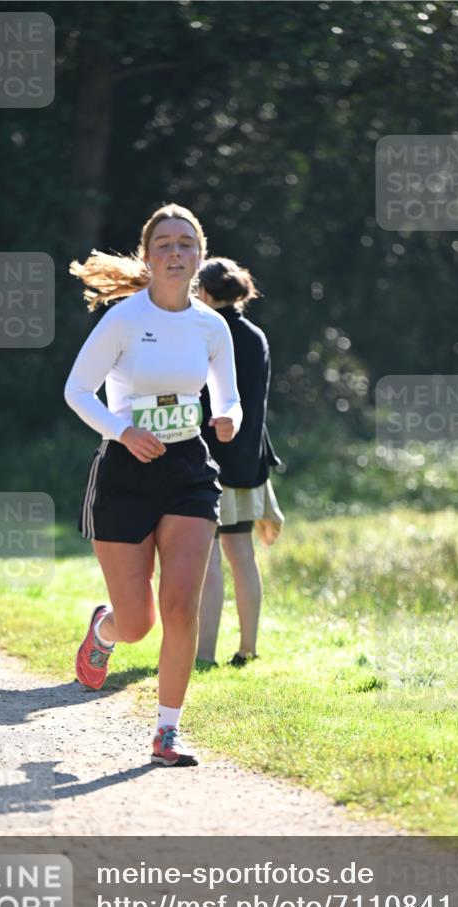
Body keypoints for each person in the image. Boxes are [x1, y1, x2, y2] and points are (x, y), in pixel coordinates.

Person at [64, 205, 242, 767]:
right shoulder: (123, 320)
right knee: (138, 623)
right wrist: (122, 431)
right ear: (147, 256)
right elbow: (77, 390)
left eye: (185, 243)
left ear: (200, 255)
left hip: (187, 469)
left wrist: (228, 418)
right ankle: (105, 630)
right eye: (163, 243)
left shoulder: (211, 326)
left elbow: (228, 396)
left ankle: (167, 732)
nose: (175, 252)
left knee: (181, 606)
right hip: (125, 470)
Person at [196, 258, 283, 667]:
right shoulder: (256, 336)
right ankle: (248, 648)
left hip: (207, 461)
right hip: (249, 461)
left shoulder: (205, 332)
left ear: (205, 293)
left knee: (207, 560)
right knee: (242, 555)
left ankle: (203, 654)